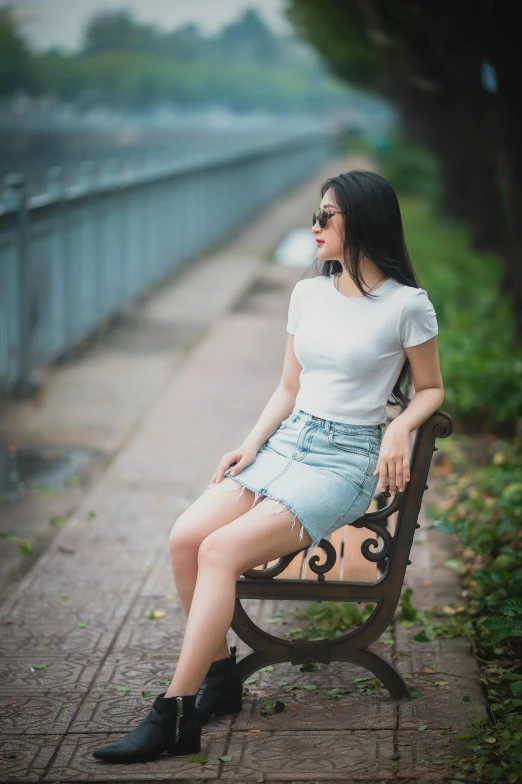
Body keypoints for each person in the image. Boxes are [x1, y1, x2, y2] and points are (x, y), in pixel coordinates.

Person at [92, 169, 444, 764]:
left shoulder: (407, 306)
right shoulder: (307, 292)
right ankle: (222, 676)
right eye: (315, 215)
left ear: (360, 221)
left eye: (326, 216)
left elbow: (431, 389)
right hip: (290, 441)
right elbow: (289, 387)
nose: (315, 227)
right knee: (185, 539)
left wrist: (402, 426)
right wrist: (250, 444)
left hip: (344, 459)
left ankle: (174, 715)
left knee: (218, 552)